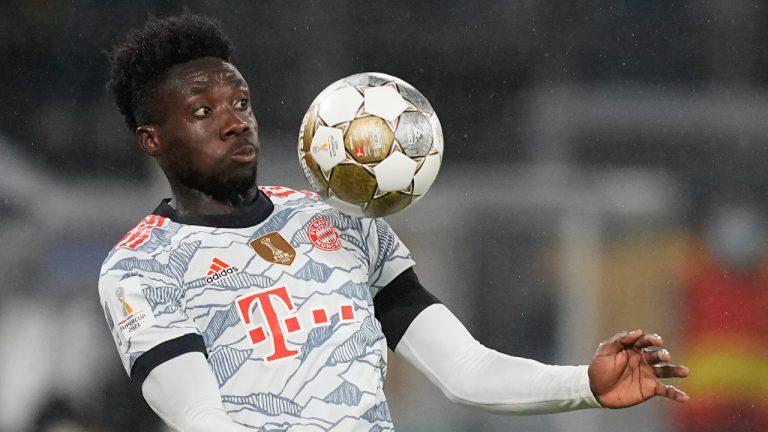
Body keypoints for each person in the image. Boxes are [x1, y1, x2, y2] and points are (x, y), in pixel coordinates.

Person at [98, 13, 689, 432]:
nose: (234, 123)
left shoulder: (341, 222)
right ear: (152, 140)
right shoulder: (140, 267)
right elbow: (199, 417)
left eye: (242, 103)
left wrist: (585, 384)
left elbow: (466, 371)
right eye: (203, 111)